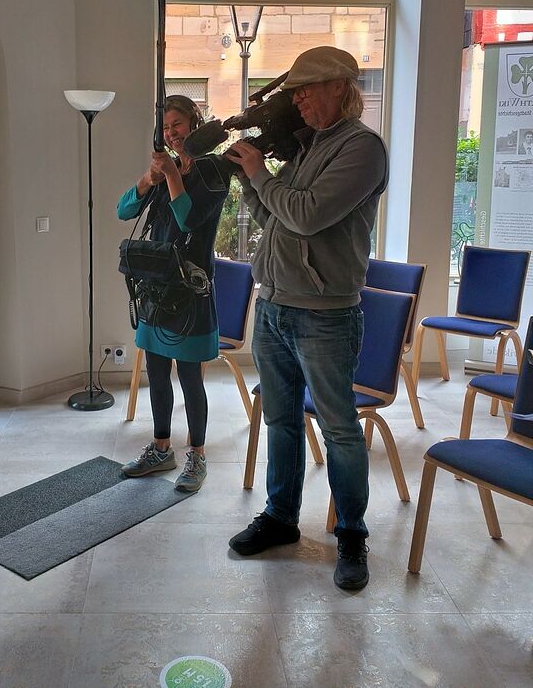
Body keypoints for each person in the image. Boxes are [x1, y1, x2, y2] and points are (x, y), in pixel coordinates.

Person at [226, 46, 389, 591]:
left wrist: (260, 172)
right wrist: (250, 179)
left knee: (339, 429)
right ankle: (280, 518)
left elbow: (306, 215)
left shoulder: (362, 149)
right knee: (281, 420)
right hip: (274, 306)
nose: (297, 101)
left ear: (339, 86)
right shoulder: (307, 147)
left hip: (325, 316)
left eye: (306, 90)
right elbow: (273, 217)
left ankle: (351, 536)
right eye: (294, 92)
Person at [117, 95, 230, 492]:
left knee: (190, 377)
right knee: (157, 372)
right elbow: (123, 211)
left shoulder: (213, 169)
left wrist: (172, 176)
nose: (171, 133)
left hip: (191, 290)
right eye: (165, 128)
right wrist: (149, 179)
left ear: (195, 123)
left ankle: (197, 455)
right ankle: (161, 448)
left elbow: (189, 220)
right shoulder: (165, 170)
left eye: (177, 124)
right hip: (156, 286)